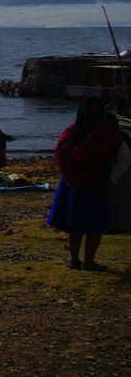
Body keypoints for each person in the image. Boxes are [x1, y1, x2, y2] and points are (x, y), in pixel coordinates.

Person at [47, 96, 123, 271]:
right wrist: (110, 178)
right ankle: (88, 261)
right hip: (97, 185)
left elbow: (61, 157)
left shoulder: (70, 134)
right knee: (94, 227)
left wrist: (71, 175)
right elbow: (120, 157)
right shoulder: (108, 135)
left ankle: (74, 260)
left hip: (72, 186)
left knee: (74, 226)